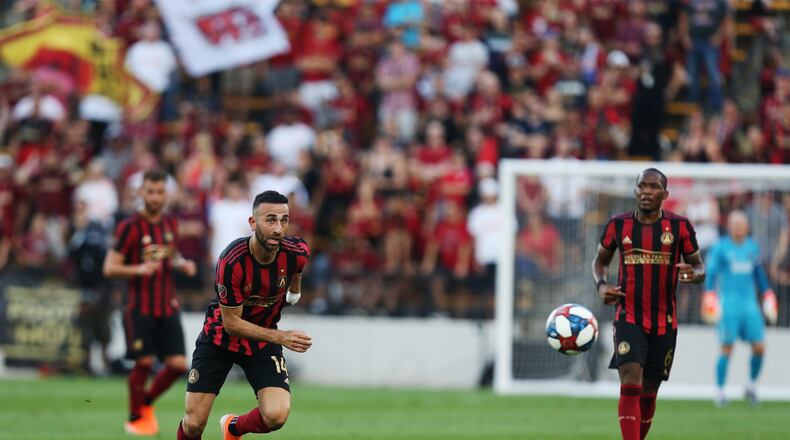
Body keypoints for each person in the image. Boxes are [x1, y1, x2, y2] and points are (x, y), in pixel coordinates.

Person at [177, 190, 312, 440]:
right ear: (252, 223)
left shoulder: (297, 251)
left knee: (277, 415)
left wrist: (295, 291)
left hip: (262, 342)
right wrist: (282, 337)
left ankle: (233, 428)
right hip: (220, 339)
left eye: (284, 220)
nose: (278, 229)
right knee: (194, 424)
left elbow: (298, 270)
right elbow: (232, 325)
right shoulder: (231, 261)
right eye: (270, 220)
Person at [592, 168, 705, 440]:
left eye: (653, 187)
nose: (646, 191)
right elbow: (600, 262)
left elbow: (699, 266)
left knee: (650, 390)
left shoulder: (680, 227)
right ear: (635, 190)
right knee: (631, 380)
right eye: (642, 186)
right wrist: (602, 285)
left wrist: (695, 275)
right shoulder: (617, 225)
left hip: (665, 321)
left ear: (665, 194)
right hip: (628, 316)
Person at [103, 169, 198, 436]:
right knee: (143, 363)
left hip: (167, 305)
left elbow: (171, 254)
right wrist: (138, 269)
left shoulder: (170, 224)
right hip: (139, 306)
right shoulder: (129, 228)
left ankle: (144, 403)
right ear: (140, 193)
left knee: (178, 365)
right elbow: (110, 268)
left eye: (160, 192)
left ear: (166, 194)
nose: (155, 197)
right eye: (150, 192)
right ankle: (135, 418)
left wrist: (183, 264)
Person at [701, 211, 778, 407]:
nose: (738, 227)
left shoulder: (752, 247)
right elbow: (711, 275)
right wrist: (710, 296)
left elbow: (759, 274)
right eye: (735, 223)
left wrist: (768, 293)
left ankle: (751, 386)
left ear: (746, 227)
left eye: (741, 224)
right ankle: (719, 391)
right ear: (729, 226)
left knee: (760, 347)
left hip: (750, 305)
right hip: (729, 306)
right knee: (727, 348)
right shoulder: (720, 247)